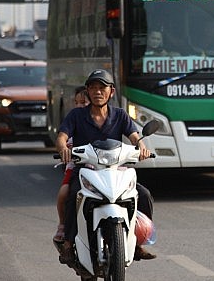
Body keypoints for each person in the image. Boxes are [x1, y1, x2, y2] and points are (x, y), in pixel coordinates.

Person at [56, 69, 157, 263]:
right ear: (87, 92)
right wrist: (63, 149)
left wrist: (142, 148)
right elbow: (62, 137)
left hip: (116, 170)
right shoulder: (77, 115)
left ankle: (138, 243)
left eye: (102, 88)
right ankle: (68, 244)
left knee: (143, 195)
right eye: (93, 88)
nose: (97, 92)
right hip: (86, 170)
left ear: (111, 91)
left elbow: (135, 137)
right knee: (73, 196)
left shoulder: (120, 115)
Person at [52, 85, 89, 244]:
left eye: (84, 102)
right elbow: (62, 140)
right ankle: (63, 226)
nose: (81, 106)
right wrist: (65, 150)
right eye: (77, 102)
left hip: (104, 168)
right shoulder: (74, 119)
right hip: (76, 168)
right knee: (65, 192)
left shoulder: (113, 116)